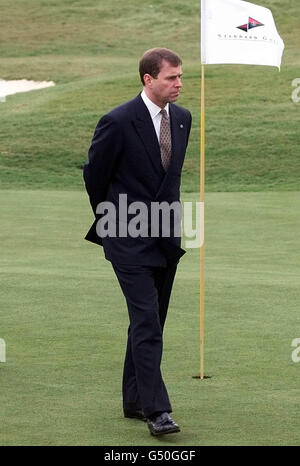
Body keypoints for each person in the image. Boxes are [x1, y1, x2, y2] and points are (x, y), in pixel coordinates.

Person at [83, 48, 192, 436]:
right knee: (147, 320)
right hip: (125, 235)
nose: (179, 84)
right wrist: (113, 218)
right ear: (148, 79)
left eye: (180, 77)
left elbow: (169, 178)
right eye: (171, 78)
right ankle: (156, 411)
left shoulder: (182, 119)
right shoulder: (117, 120)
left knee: (151, 320)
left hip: (165, 235)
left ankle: (134, 399)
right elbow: (96, 176)